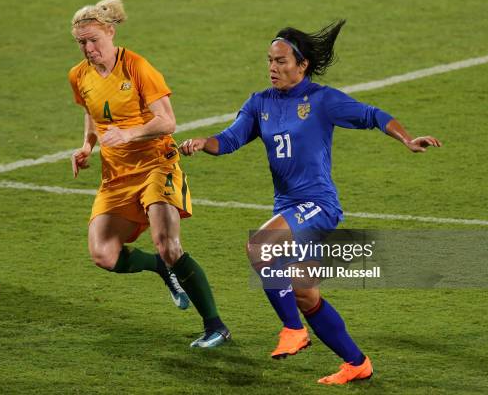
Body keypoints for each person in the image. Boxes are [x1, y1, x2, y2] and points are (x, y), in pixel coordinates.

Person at [179, 20, 441, 383]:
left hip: (318, 205)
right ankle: (356, 363)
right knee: (305, 293)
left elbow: (372, 115)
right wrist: (202, 142)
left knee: (260, 246)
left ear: (302, 65)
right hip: (287, 208)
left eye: (282, 61)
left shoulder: (322, 100)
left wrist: (407, 139)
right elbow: (230, 139)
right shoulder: (259, 103)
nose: (273, 67)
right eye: (270, 60)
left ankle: (293, 330)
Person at [68, 0, 230, 348]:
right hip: (116, 175)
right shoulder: (79, 75)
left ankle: (215, 325)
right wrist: (87, 145)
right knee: (104, 255)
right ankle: (159, 267)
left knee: (169, 244)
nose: (89, 48)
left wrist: (129, 133)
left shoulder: (138, 68)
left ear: (110, 32)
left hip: (156, 165)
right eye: (81, 42)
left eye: (94, 39)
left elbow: (167, 120)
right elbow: (93, 113)